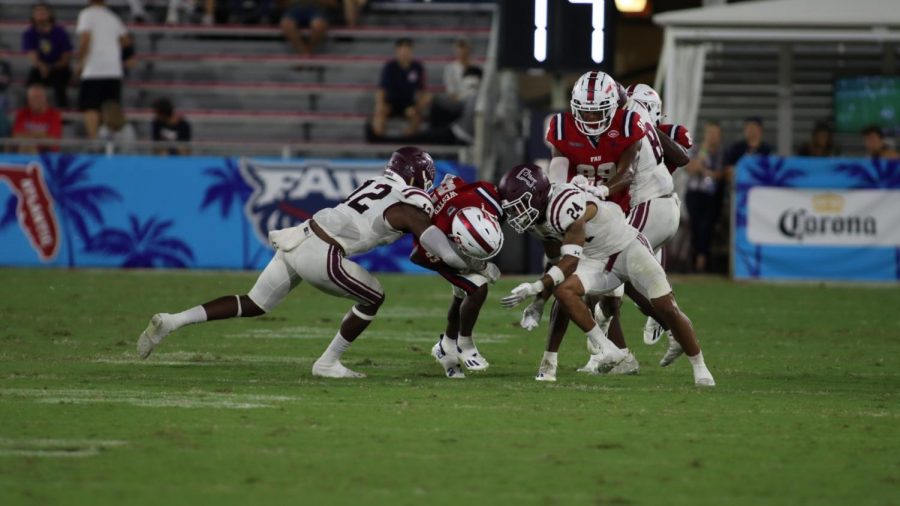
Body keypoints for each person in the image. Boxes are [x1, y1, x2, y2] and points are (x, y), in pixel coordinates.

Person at [137, 147, 496, 379]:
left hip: (302, 235)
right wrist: (475, 266)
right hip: (324, 253)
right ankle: (327, 363)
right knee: (373, 297)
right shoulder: (408, 200)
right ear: (418, 176)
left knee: (255, 302)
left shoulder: (375, 184)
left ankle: (173, 320)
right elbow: (440, 248)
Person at [497, 164, 715, 387]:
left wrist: (534, 287)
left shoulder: (564, 205)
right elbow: (556, 264)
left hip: (625, 248)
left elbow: (570, 261)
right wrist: (539, 301)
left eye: (521, 205)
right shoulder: (538, 222)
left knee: (666, 305)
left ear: (539, 195)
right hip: (596, 261)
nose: (517, 213)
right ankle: (608, 350)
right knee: (565, 292)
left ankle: (700, 365)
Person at [409, 173, 504, 378]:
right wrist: (482, 266)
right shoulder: (433, 240)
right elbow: (417, 256)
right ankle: (464, 343)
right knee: (478, 287)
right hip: (435, 247)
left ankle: (447, 345)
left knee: (462, 294)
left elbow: (458, 180)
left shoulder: (486, 196)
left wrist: (481, 261)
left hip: (456, 219)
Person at [75, 0, 131, 140]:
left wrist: (80, 62)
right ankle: (112, 145)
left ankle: (95, 143)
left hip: (94, 68)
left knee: (91, 108)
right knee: (111, 109)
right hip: (113, 69)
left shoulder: (86, 14)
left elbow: (85, 39)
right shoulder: (113, 17)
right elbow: (126, 41)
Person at [684, 120, 725, 274]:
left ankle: (703, 260)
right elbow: (691, 168)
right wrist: (703, 153)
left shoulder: (721, 153)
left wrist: (709, 173)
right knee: (695, 225)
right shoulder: (696, 149)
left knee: (707, 226)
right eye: (710, 133)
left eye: (716, 134)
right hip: (695, 194)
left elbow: (722, 174)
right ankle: (695, 260)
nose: (713, 137)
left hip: (711, 195)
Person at [372, 38, 430, 138]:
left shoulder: (417, 67)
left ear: (411, 51)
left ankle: (405, 143)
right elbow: (381, 89)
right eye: (402, 50)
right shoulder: (389, 67)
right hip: (390, 103)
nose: (404, 53)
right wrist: (380, 105)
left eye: (407, 50)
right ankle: (380, 141)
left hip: (409, 105)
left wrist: (416, 108)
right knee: (379, 116)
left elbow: (422, 92)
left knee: (419, 114)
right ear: (397, 51)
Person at [22, 3, 73, 108]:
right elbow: (32, 56)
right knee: (30, 84)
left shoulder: (60, 32)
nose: (40, 14)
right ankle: (29, 114)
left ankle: (64, 116)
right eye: (37, 12)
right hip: (40, 67)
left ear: (50, 14)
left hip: (59, 67)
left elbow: (66, 57)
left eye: (43, 12)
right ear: (33, 15)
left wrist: (52, 67)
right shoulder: (29, 33)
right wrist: (41, 66)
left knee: (60, 86)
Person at [12, 84, 62, 153]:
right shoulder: (22, 113)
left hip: (47, 155)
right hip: (25, 151)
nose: (35, 101)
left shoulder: (54, 114)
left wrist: (28, 135)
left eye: (38, 97)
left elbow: (52, 141)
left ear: (45, 98)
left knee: (27, 144)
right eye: (32, 98)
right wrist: (41, 135)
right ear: (28, 100)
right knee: (27, 145)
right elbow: (16, 137)